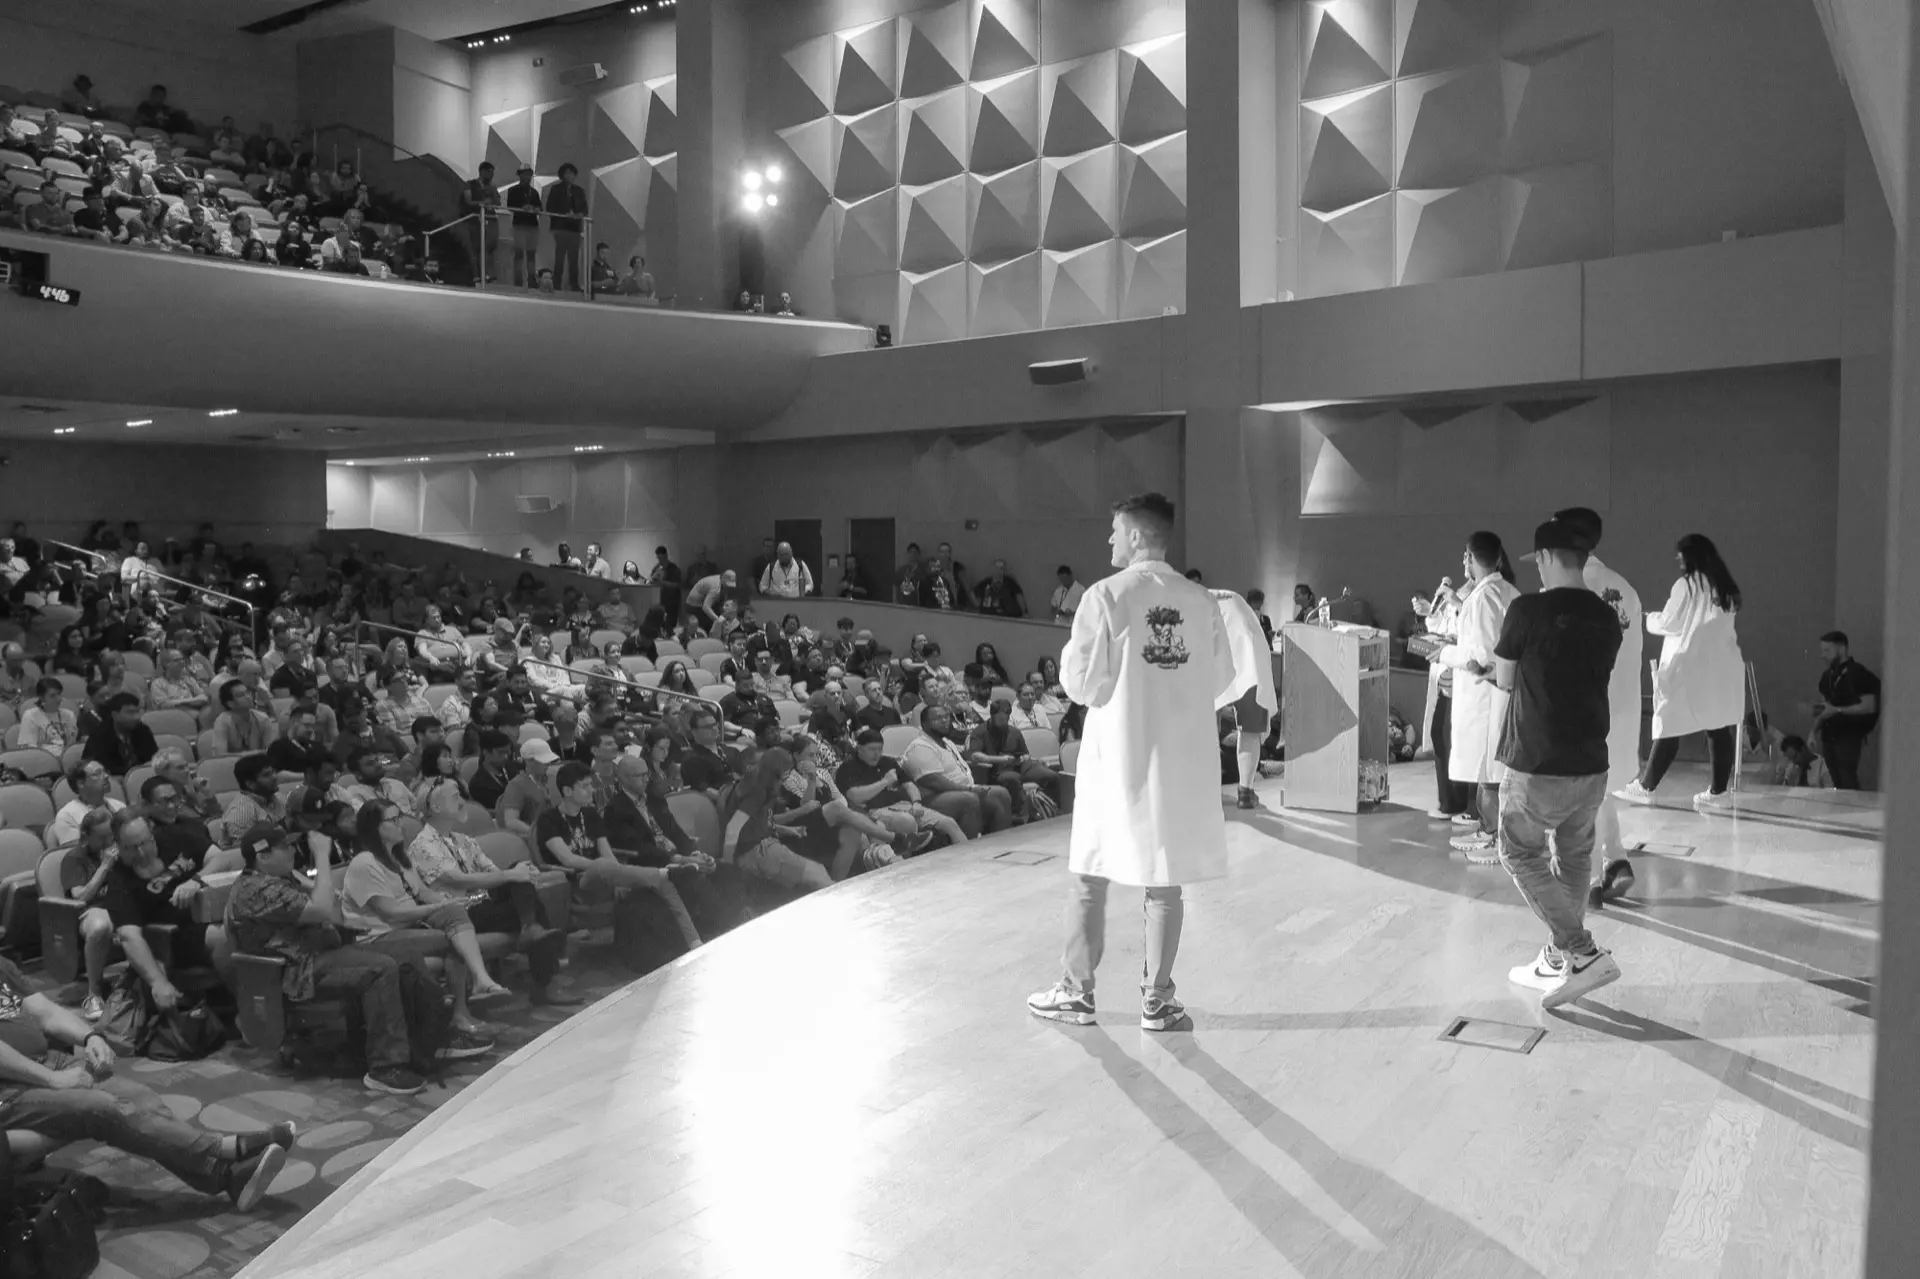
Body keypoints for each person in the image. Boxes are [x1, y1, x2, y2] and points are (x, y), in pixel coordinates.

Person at [1028, 494, 1235, 1032]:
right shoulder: (1202, 602)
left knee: (1091, 869)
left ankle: (1077, 991)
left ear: (1137, 536)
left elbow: (1080, 684)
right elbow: (1220, 679)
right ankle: (1158, 1000)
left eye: (1116, 530)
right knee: (1165, 877)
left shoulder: (1105, 596)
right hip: (1180, 761)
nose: (1110, 539)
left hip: (1117, 755)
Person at [0, 945, 288, 1208]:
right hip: (10, 1088)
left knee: (139, 1097)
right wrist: (51, 1080)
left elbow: (46, 1013)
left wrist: (91, 1037)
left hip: (49, 1062)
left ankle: (227, 1177)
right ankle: (228, 1147)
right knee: (103, 1107)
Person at [1493, 519, 1624, 1009]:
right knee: (1573, 859)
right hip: (1590, 763)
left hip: (1536, 762)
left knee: (1519, 853)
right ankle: (1556, 958)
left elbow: (1505, 679)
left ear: (1546, 558)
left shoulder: (1527, 610)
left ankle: (1581, 951)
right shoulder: (1607, 617)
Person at [224, 824, 429, 1095]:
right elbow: (322, 908)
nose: (293, 851)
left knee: (406, 955)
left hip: (318, 956)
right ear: (262, 856)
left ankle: (424, 1045)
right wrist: (321, 856)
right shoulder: (256, 889)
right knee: (381, 968)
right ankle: (386, 1068)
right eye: (285, 847)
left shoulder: (278, 879)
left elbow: (329, 906)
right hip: (295, 972)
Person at [1545, 509, 1645, 908]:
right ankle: (1616, 862)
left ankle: (1582, 882)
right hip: (1620, 710)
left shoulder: (1566, 588)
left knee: (1572, 799)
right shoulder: (1626, 589)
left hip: (1581, 713)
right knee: (1597, 789)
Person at [1616, 534, 1745, 813]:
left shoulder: (1687, 585)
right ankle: (1718, 792)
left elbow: (1671, 622)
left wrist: (1647, 618)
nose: (1678, 561)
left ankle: (1646, 787)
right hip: (1720, 666)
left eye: (1680, 557)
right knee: (1717, 724)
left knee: (1669, 722)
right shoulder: (1724, 586)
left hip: (1687, 664)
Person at [1434, 532, 1521, 863]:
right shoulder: (1507, 591)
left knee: (1488, 771)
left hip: (1486, 696)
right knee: (1494, 770)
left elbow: (1480, 656)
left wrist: (1444, 653)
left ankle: (1492, 835)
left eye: (1465, 556)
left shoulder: (1483, 597)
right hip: (1504, 692)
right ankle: (1493, 832)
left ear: (1470, 558)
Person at [1209, 588, 1278, 810]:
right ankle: (1245, 792)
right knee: (1249, 729)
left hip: (1212, 654)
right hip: (1249, 655)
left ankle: (1208, 792)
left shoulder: (1190, 600)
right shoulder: (1236, 602)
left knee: (1208, 727)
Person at [1813, 630, 1880, 790]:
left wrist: (1837, 710)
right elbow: (1825, 708)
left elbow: (1869, 706)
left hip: (1848, 735)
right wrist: (1813, 731)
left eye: (1827, 650)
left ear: (1842, 649)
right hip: (1829, 735)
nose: (1822, 655)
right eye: (1822, 650)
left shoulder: (1858, 673)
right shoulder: (1827, 676)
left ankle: (1853, 806)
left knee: (1847, 777)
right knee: (1835, 779)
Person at [544, 163, 588, 292]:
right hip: (560, 228)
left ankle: (574, 285)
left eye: (572, 173)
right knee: (560, 258)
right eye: (567, 173)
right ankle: (557, 284)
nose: (570, 176)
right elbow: (550, 207)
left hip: (574, 229)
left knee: (574, 259)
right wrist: (564, 214)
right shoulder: (556, 189)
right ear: (562, 175)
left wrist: (578, 214)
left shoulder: (579, 191)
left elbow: (585, 209)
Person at [463, 160, 501, 284]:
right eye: (489, 172)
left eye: (492, 173)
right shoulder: (470, 184)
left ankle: (488, 273)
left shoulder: (492, 187)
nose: (491, 175)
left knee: (490, 247)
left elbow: (498, 203)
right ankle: (477, 275)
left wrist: (493, 192)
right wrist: (482, 203)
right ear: (482, 172)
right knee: (476, 248)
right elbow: (468, 201)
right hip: (475, 220)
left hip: (490, 219)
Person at [504, 163, 542, 287]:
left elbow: (540, 207)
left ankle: (531, 279)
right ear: (520, 175)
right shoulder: (513, 190)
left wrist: (536, 209)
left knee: (531, 253)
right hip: (519, 225)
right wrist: (522, 207)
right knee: (519, 253)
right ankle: (518, 281)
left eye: (529, 174)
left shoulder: (534, 192)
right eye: (525, 174)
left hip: (533, 225)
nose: (527, 177)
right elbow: (510, 206)